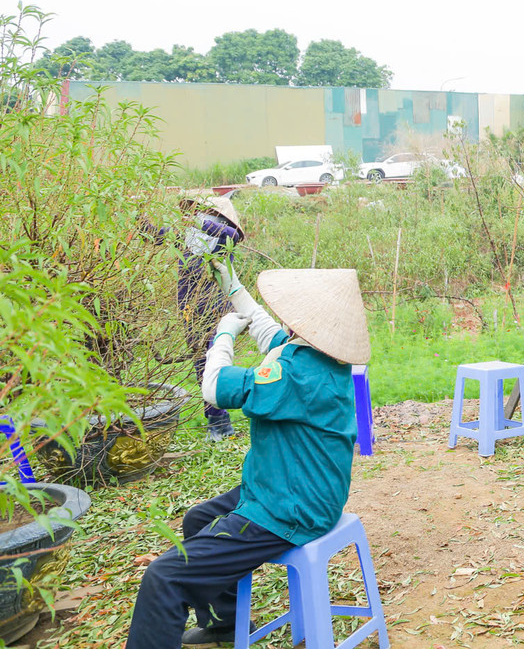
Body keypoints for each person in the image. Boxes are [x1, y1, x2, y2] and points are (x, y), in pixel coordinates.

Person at [126, 264, 369, 649]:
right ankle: (224, 622)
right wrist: (230, 280)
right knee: (198, 518)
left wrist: (221, 336)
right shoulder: (320, 356)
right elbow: (262, 326)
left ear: (302, 322)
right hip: (297, 486)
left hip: (290, 509)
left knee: (164, 577)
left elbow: (214, 388)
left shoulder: (295, 374)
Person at [155, 196, 245, 441]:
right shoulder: (188, 238)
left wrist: (196, 221)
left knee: (214, 364)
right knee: (200, 367)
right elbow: (156, 234)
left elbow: (232, 235)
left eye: (206, 214)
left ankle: (220, 424)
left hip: (215, 312)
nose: (201, 218)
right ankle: (217, 422)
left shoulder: (222, 240)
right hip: (191, 314)